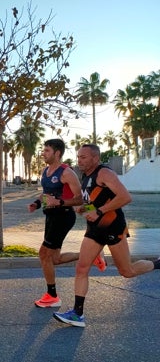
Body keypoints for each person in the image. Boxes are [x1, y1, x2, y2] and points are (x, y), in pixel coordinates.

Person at [53, 144, 160, 327]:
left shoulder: (104, 173)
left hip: (112, 227)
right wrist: (83, 208)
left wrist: (100, 212)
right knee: (81, 268)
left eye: (84, 157)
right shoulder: (86, 176)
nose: (79, 160)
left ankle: (158, 264)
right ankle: (77, 314)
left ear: (95, 158)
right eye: (78, 157)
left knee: (127, 271)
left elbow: (125, 197)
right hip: (94, 230)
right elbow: (97, 201)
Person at [27, 139, 105, 309]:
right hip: (51, 216)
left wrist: (60, 203)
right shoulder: (45, 171)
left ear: (57, 153)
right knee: (54, 258)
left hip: (63, 217)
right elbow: (46, 195)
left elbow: (80, 198)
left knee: (43, 254)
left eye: (47, 150)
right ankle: (92, 256)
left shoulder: (67, 173)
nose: (43, 153)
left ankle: (52, 296)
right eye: (43, 150)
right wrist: (37, 203)